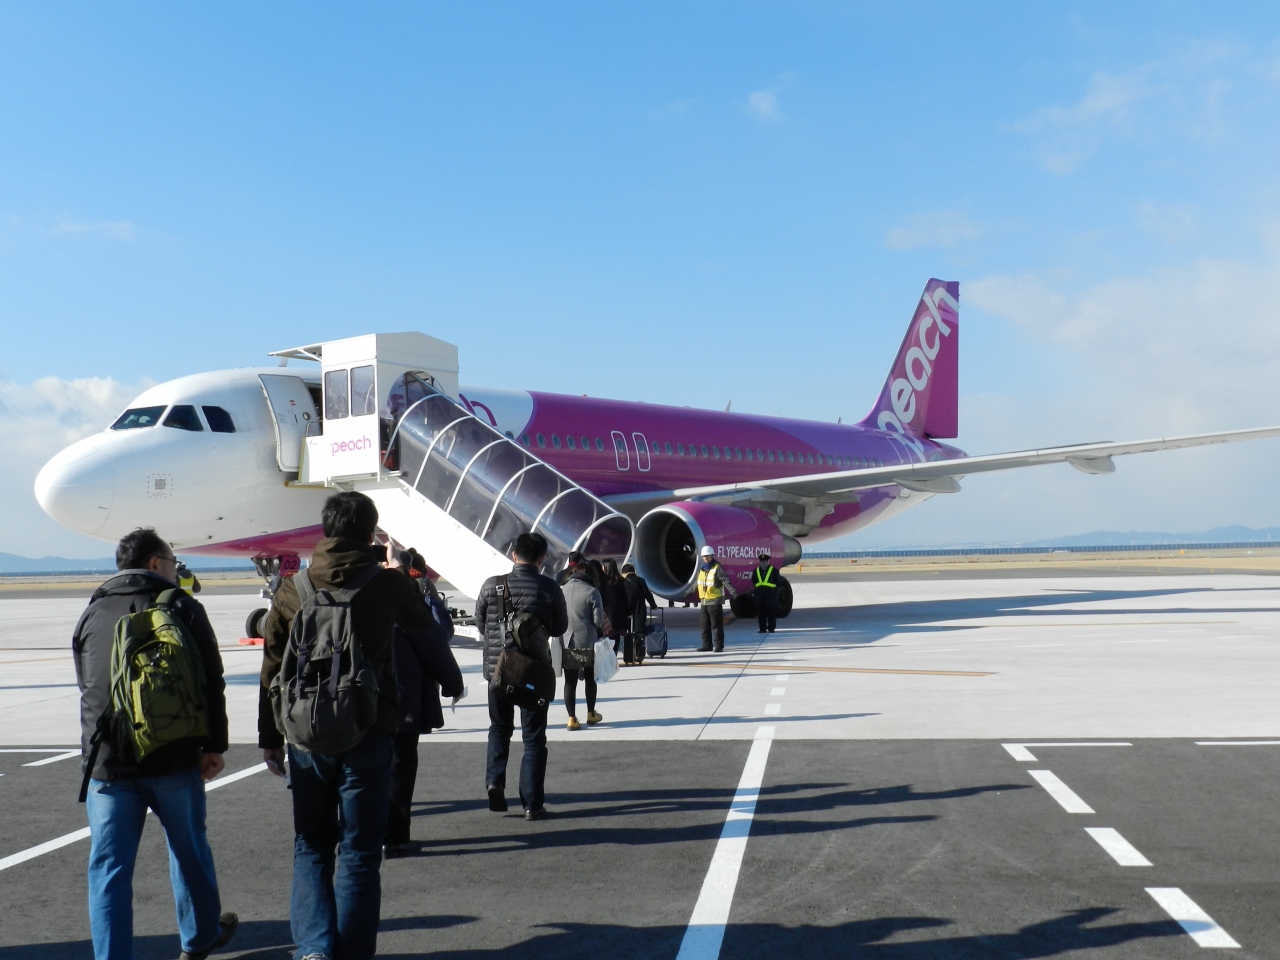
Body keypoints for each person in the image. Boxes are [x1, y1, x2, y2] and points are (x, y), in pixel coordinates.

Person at [259, 492, 436, 960]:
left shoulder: (292, 587)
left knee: (312, 845)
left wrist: (268, 738)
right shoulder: (387, 584)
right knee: (359, 853)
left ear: (326, 528)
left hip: (305, 734)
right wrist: (403, 569)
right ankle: (353, 953)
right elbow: (426, 628)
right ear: (370, 532)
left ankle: (315, 950)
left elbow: (272, 666)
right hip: (369, 727)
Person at [73, 527, 238, 960]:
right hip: (172, 754)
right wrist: (213, 745)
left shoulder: (93, 611)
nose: (177, 570)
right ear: (154, 564)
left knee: (108, 870)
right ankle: (199, 938)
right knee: (188, 851)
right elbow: (211, 681)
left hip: (108, 763)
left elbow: (87, 686)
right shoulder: (182, 606)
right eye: (173, 562)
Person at [475, 532, 568, 820]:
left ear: (514, 554)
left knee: (499, 729)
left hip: (497, 672)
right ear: (542, 559)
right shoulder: (549, 588)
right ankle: (532, 804)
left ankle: (494, 781)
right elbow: (558, 628)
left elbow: (481, 623)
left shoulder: (492, 586)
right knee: (534, 739)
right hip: (532, 673)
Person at [384, 555, 465, 859]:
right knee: (400, 769)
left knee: (362, 771)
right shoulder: (409, 606)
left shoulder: (352, 597)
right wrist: (453, 686)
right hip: (402, 700)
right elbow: (436, 648)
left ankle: (359, 833)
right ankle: (394, 838)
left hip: (357, 702)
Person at [559, 561, 606, 729]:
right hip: (586, 641)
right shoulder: (592, 591)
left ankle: (571, 718)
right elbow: (598, 620)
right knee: (589, 679)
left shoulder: (561, 590)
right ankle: (591, 713)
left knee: (570, 681)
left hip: (566, 641)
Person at [696, 545, 736, 653]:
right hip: (704, 601)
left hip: (714, 600)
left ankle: (719, 645)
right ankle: (707, 645)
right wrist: (687, 592)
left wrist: (733, 591)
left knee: (716, 625)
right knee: (704, 624)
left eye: (707, 556)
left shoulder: (717, 567)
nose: (705, 558)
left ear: (712, 556)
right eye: (704, 556)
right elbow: (697, 583)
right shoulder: (702, 569)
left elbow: (725, 580)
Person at [620, 563, 657, 664]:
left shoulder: (621, 582)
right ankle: (639, 655)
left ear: (624, 572)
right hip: (639, 611)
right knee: (639, 633)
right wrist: (654, 606)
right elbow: (648, 594)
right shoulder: (641, 581)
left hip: (626, 612)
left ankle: (628, 656)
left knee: (627, 634)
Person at [600, 559, 630, 657]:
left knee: (607, 636)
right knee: (616, 636)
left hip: (607, 613)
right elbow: (625, 597)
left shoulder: (602, 581)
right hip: (619, 614)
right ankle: (614, 655)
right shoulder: (620, 580)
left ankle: (608, 656)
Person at [752, 552, 780, 634]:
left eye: (764, 561)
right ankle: (762, 628)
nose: (763, 563)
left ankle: (771, 628)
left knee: (771, 613)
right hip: (760, 597)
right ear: (760, 562)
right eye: (761, 561)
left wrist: (773, 591)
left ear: (768, 562)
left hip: (770, 595)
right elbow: (754, 581)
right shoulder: (756, 571)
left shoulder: (774, 570)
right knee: (761, 614)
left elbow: (778, 582)